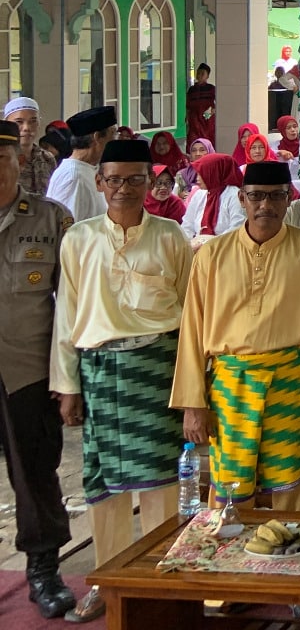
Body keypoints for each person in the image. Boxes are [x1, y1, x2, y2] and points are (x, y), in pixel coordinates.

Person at [51, 137, 191, 620]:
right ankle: (108, 584)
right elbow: (67, 316)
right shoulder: (79, 238)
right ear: (99, 182)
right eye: (115, 179)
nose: (125, 189)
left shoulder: (171, 236)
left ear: (151, 182)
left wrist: (193, 386)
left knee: (161, 483)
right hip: (100, 373)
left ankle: (162, 576)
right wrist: (67, 385)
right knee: (104, 487)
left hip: (157, 370)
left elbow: (192, 317)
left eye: (136, 179)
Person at [171, 160, 300, 512]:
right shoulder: (212, 254)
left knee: (296, 483)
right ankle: (228, 563)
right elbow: (192, 330)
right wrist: (193, 403)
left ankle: (296, 559)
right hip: (230, 385)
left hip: (293, 383)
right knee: (230, 487)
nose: (266, 205)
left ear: (289, 200)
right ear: (242, 199)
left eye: (276, 196)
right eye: (257, 196)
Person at [0, 119, 78, 618]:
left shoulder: (52, 220)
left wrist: (67, 379)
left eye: (1, 163)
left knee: (35, 475)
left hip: (27, 372)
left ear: (19, 163)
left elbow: (71, 307)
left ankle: (43, 571)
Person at [47, 105, 116, 223]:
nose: (116, 140)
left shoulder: (90, 169)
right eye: (113, 134)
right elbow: (69, 232)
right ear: (97, 137)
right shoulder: (74, 178)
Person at [181, 152, 246, 241]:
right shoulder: (199, 194)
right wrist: (187, 245)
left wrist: (209, 244)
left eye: (202, 174)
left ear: (214, 173)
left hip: (224, 248)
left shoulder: (234, 195)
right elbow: (187, 225)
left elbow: (237, 227)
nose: (197, 178)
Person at [6, 97, 57, 196]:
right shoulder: (4, 159)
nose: (26, 128)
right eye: (19, 122)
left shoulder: (47, 158)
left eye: (33, 121)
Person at [185, 63, 218, 149]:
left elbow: (220, 103)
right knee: (193, 141)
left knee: (208, 140)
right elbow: (188, 105)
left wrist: (211, 112)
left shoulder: (211, 88)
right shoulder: (191, 90)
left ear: (207, 76)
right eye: (198, 73)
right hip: (194, 120)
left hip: (207, 120)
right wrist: (187, 117)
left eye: (202, 73)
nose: (200, 75)